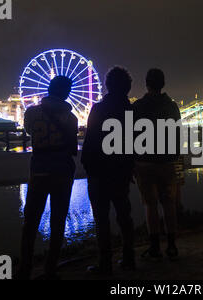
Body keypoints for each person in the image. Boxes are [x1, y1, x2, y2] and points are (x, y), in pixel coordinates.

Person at [18, 76, 78, 280]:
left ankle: (24, 267)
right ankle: (50, 268)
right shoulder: (70, 118)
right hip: (62, 170)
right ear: (67, 93)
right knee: (58, 219)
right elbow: (72, 144)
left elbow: (28, 131)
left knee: (31, 220)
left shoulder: (32, 113)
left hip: (39, 169)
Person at [81, 66, 135, 274]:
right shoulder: (131, 111)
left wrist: (89, 166)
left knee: (101, 219)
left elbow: (91, 141)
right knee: (124, 215)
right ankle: (129, 257)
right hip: (121, 171)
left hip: (99, 171)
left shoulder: (98, 109)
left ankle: (105, 263)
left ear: (107, 86)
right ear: (128, 88)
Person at [133, 68, 182, 260]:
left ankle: (154, 247)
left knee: (150, 205)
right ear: (163, 84)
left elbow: (130, 135)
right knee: (169, 203)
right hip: (167, 161)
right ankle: (171, 245)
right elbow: (178, 135)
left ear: (146, 83)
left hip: (144, 162)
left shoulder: (138, 106)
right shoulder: (172, 106)